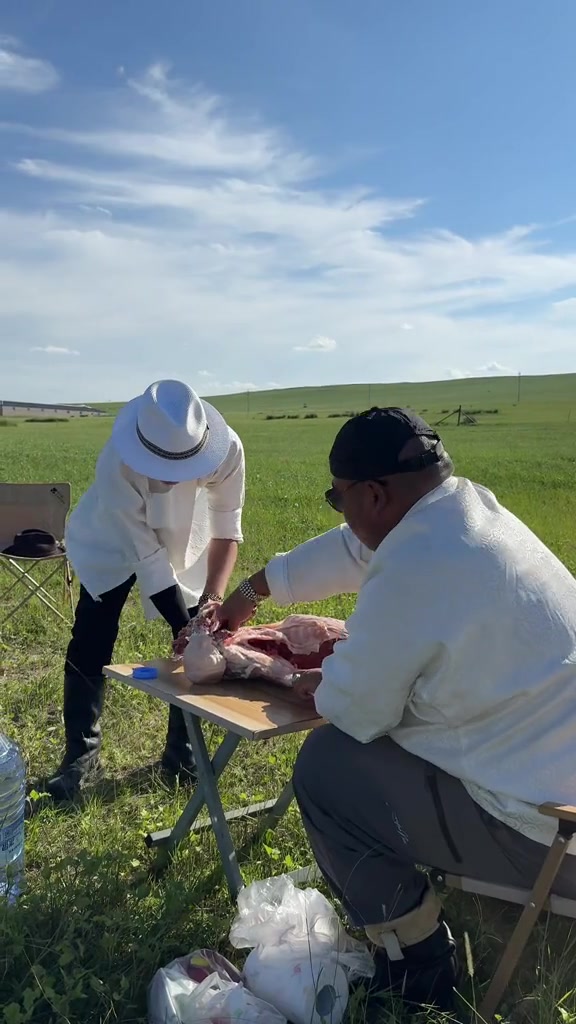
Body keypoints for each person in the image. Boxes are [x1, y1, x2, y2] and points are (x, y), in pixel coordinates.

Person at [211, 407, 576, 1013]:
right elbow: (358, 550)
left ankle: (417, 963)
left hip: (553, 837)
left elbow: (353, 709)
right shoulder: (464, 514)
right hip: (561, 792)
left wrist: (299, 677)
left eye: (339, 498)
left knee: (327, 768)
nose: (340, 512)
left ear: (375, 494)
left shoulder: (418, 564)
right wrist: (252, 591)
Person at [47, 379, 245, 801]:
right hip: (113, 538)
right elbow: (148, 560)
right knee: (92, 634)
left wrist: (210, 602)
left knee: (197, 639)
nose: (170, 478)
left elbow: (227, 528)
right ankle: (81, 754)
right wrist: (187, 627)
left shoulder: (228, 449)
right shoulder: (116, 463)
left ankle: (182, 752)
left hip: (186, 532)